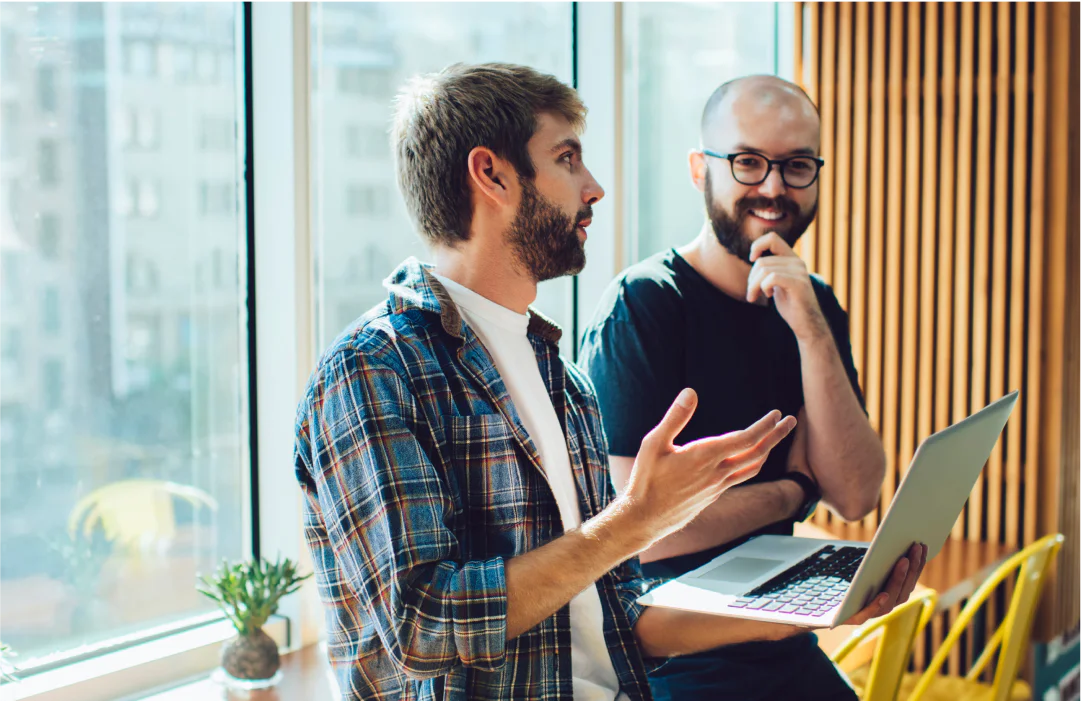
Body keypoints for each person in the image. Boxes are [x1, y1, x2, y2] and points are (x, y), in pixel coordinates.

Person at [294, 64, 924, 701]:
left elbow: (617, 619)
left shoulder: (560, 378)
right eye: (567, 158)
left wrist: (797, 615)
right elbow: (421, 626)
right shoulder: (372, 369)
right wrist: (636, 521)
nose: (593, 188)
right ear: (492, 175)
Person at [578, 74, 889, 701]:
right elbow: (639, 532)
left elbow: (855, 493)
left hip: (781, 635)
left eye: (797, 165)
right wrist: (795, 490)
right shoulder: (643, 307)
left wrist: (811, 329)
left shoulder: (813, 304)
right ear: (701, 169)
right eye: (748, 162)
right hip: (672, 658)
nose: (774, 187)